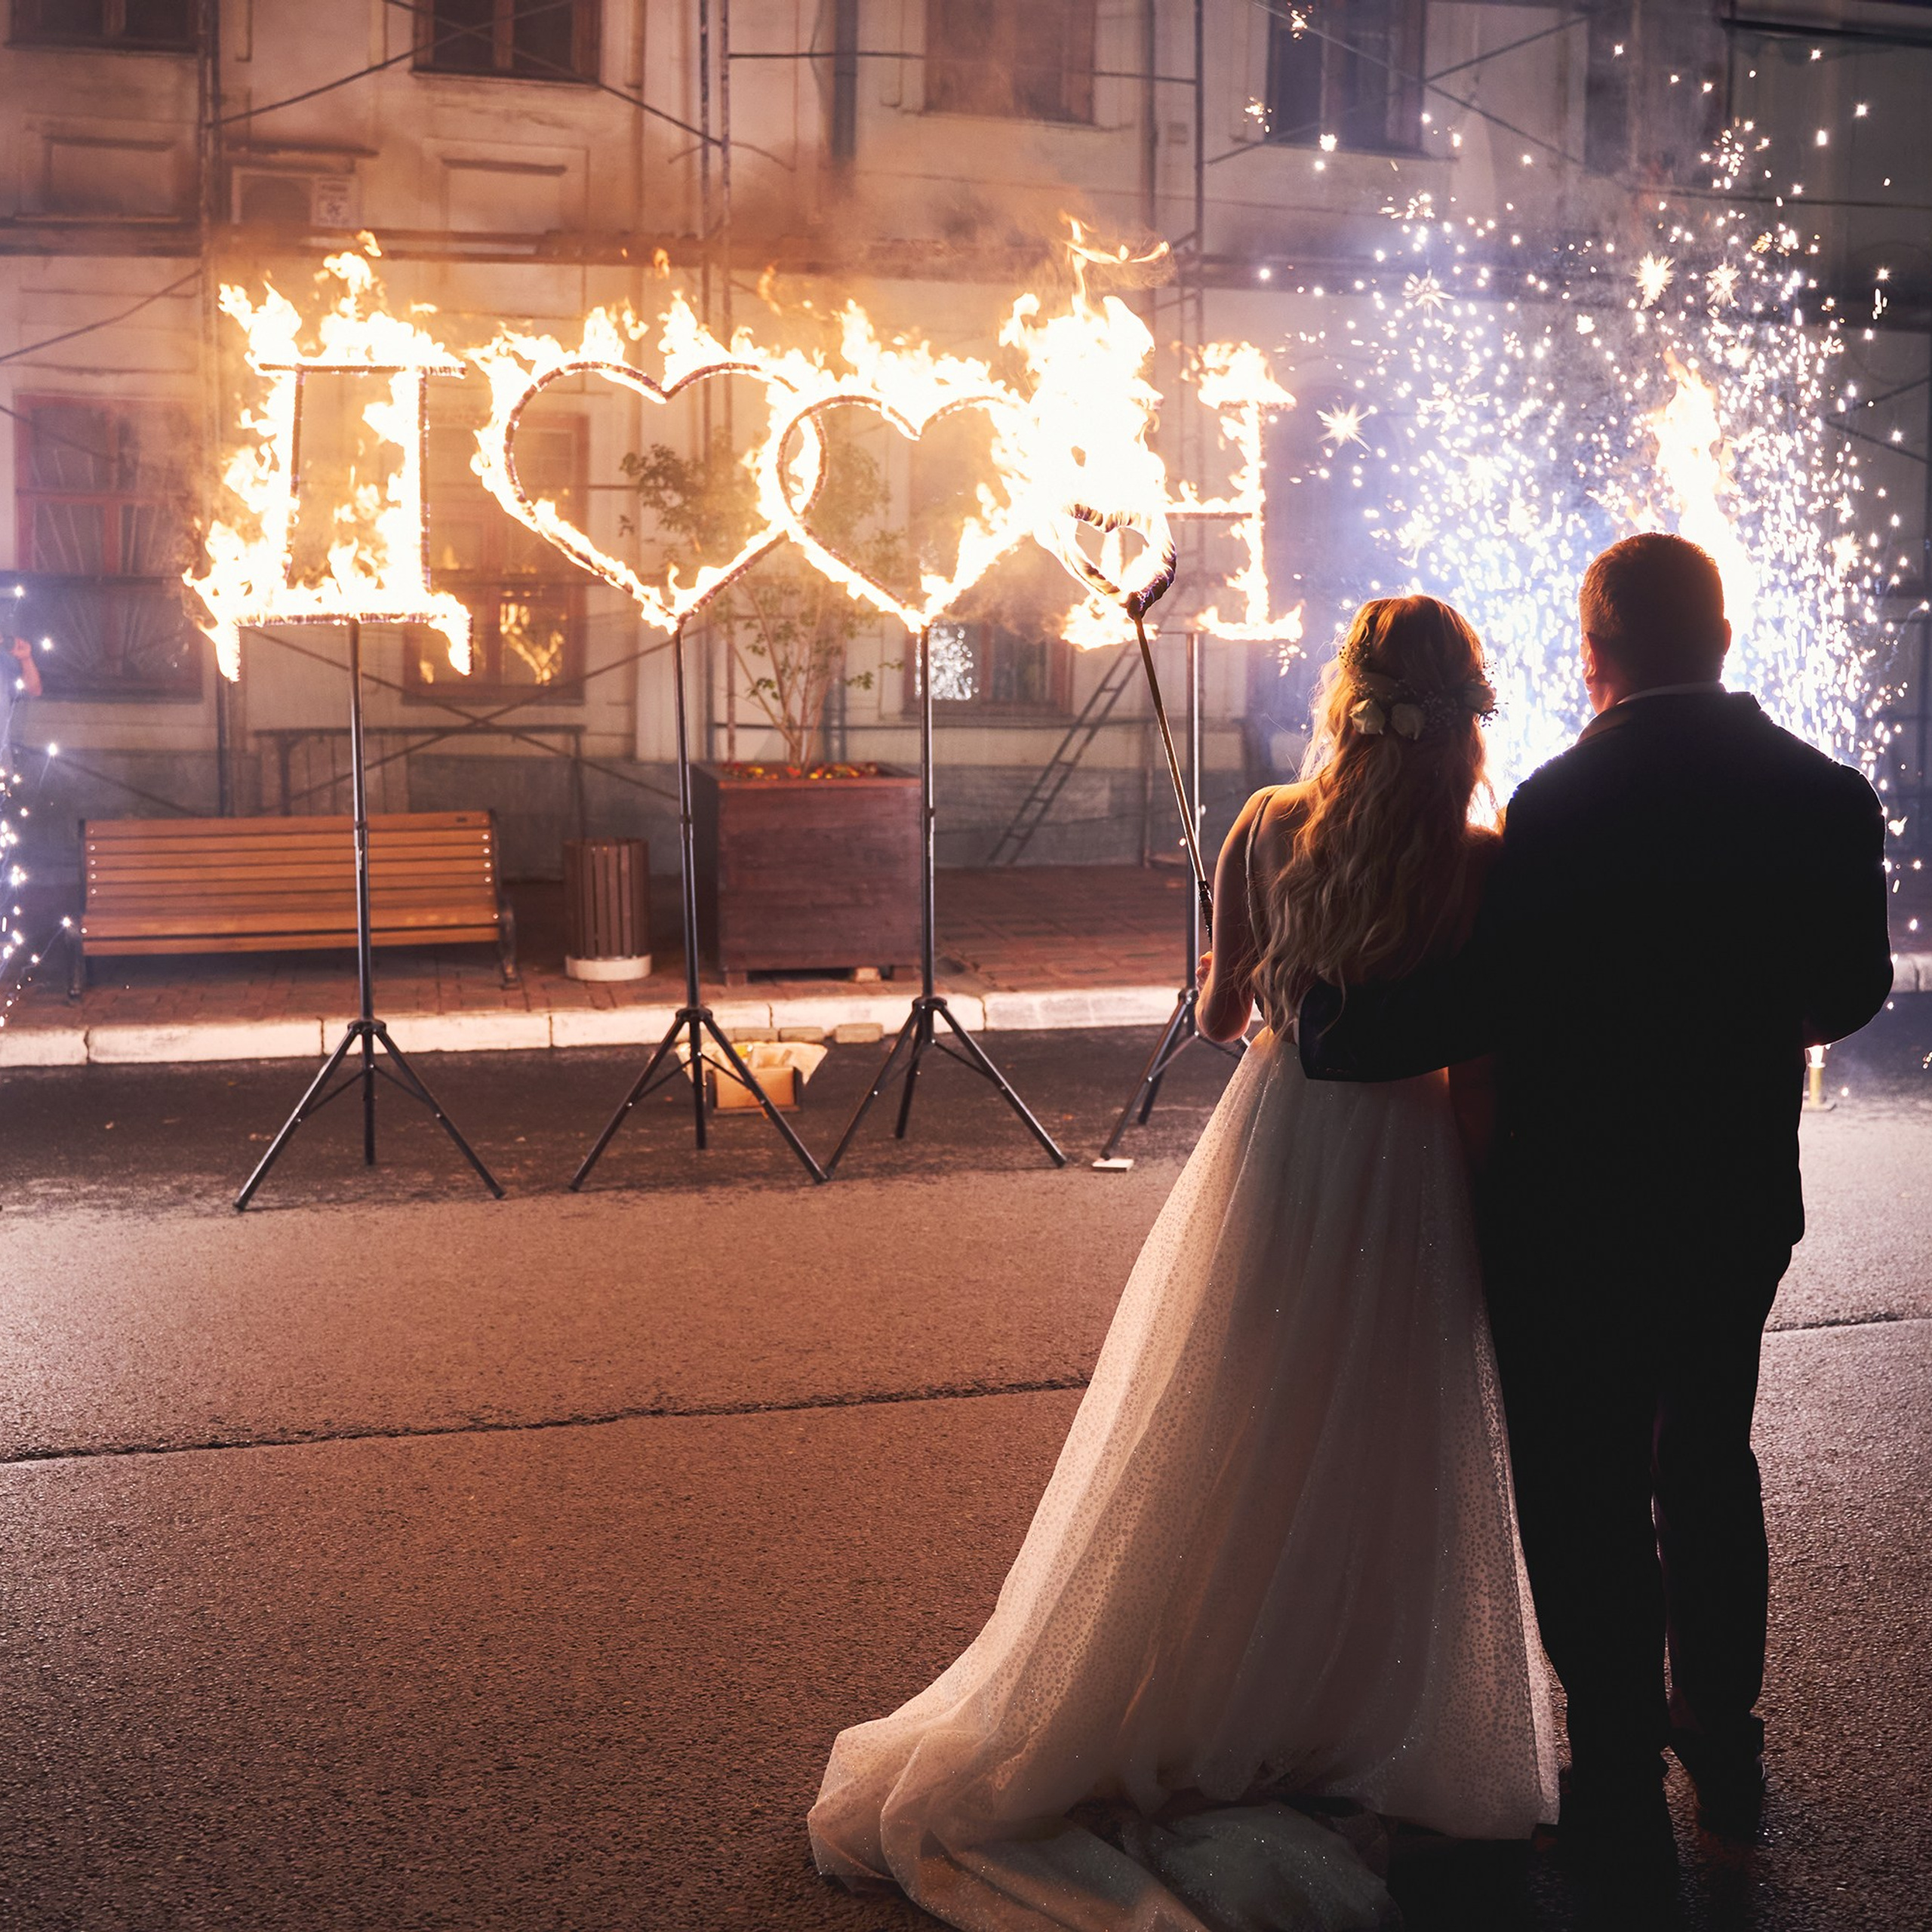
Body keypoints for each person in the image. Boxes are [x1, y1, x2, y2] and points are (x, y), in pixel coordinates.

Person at [808, 595, 1555, 1932]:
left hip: (1282, 1153)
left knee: (1245, 1417)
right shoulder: (1486, 861)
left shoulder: (1269, 826)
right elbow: (1485, 1070)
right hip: (1409, 1172)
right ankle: (1349, 1705)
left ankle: (1217, 1687)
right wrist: (1494, 1219)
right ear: (1469, 709)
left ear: (1347, 696)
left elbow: (1220, 1014)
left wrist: (1261, 956)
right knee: (1386, 1438)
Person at [1299, 534, 1893, 1863]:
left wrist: (1334, 1030)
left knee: (1583, 1484)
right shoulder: (1823, 791)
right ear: (1725, 637)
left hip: (1572, 1205)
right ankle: (1726, 1744)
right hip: (1736, 1190)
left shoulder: (1556, 810)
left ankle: (1617, 1760)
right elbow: (1852, 993)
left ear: (1593, 653)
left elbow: (1491, 1000)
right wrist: (1739, 1025)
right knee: (1709, 1458)